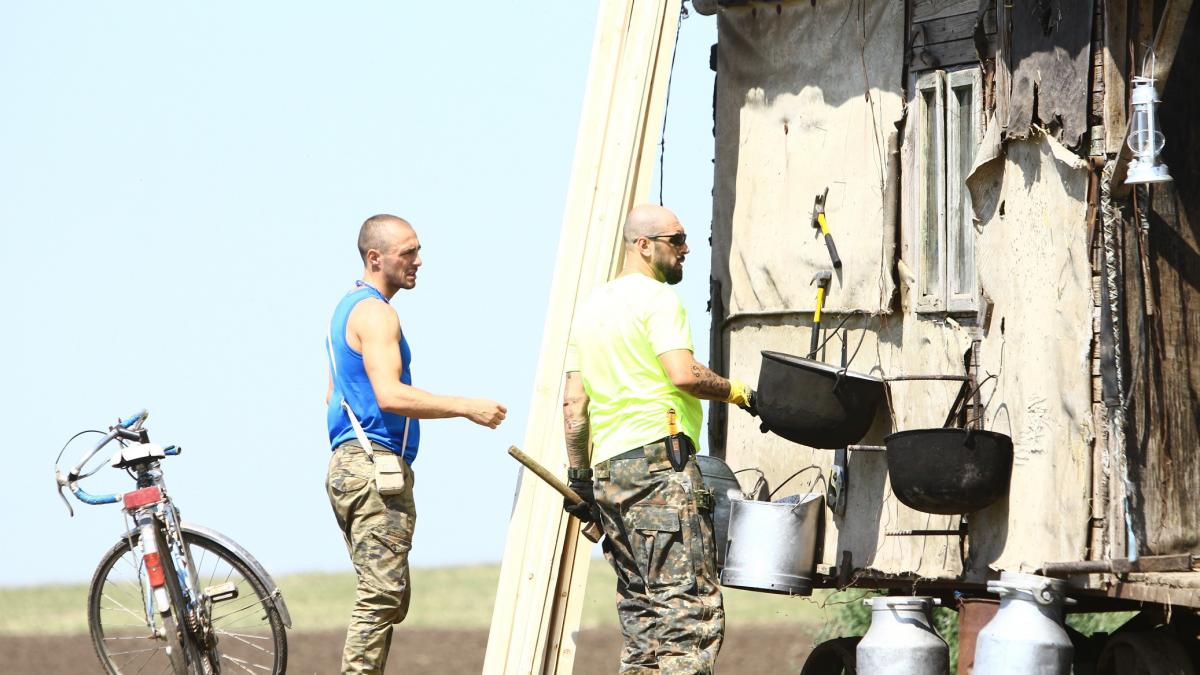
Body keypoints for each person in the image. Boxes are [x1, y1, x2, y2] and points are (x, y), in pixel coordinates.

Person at [562, 204, 757, 674]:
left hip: (611, 477)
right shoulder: (658, 300)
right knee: (686, 616)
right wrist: (740, 392)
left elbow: (573, 407)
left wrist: (581, 480)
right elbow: (683, 375)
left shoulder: (590, 310)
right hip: (659, 470)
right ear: (643, 245)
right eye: (677, 239)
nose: (687, 249)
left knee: (642, 621)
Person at [325, 214, 507, 674]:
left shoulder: (347, 310)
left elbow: (334, 394)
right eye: (408, 253)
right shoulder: (376, 313)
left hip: (352, 466)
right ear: (375, 258)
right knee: (382, 595)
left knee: (389, 595)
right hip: (372, 467)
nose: (418, 261)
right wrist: (466, 406)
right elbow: (389, 394)